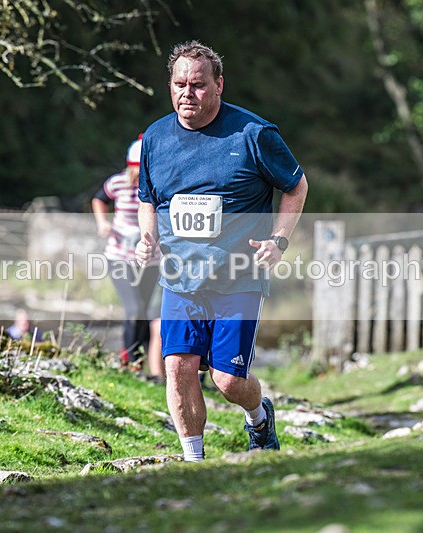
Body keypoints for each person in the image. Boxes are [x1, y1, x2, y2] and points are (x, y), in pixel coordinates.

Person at [135, 41, 309, 461]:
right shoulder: (156, 137)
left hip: (237, 276)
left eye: (197, 85)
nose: (186, 94)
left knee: (227, 382)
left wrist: (278, 240)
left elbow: (296, 185)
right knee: (177, 368)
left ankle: (258, 415)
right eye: (179, 84)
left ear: (218, 86)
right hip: (179, 277)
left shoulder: (253, 134)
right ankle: (194, 462)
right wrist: (148, 237)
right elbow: (147, 197)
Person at [92, 135, 164, 376]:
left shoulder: (158, 186)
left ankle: (136, 356)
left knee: (143, 310)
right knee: (134, 309)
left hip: (150, 260)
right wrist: (103, 222)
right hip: (120, 257)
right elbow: (99, 199)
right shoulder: (119, 183)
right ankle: (131, 361)